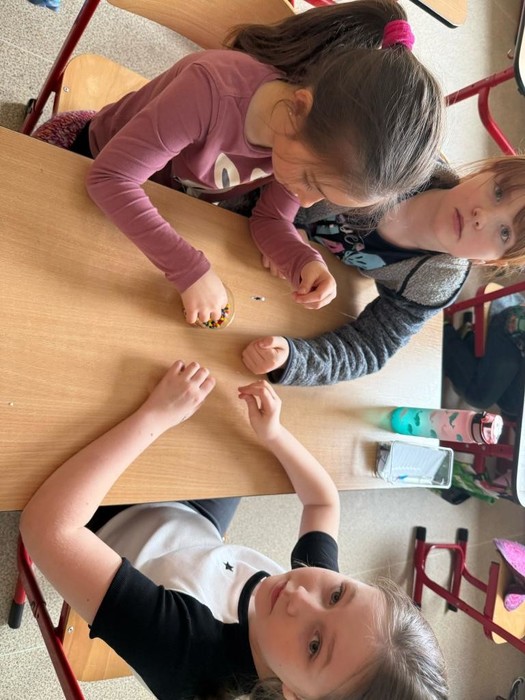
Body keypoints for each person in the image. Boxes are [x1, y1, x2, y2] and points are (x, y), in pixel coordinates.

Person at [20, 360, 448, 700]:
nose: (300, 596)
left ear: (295, 696)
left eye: (314, 646)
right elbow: (323, 502)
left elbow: (48, 529)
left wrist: (155, 416)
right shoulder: (321, 604)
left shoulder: (189, 657)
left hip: (107, 519)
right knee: (221, 401)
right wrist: (274, 434)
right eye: (339, 594)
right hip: (192, 523)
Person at [33, 1, 444, 326]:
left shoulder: (308, 140)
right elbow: (110, 178)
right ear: (298, 109)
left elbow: (271, 219)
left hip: (158, 205)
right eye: (311, 183)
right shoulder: (209, 90)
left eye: (321, 196)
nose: (305, 202)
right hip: (83, 158)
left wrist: (302, 260)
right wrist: (189, 269)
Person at [242, 155, 525, 386]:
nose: (481, 217)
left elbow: (371, 347)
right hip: (246, 194)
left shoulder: (438, 283)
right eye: (498, 192)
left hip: (260, 277)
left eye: (504, 233)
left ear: (489, 261)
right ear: (484, 171)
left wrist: (295, 359)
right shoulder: (399, 157)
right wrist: (289, 229)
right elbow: (301, 155)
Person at [443, 303, 525, 420]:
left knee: (512, 405)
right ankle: (446, 334)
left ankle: (467, 342)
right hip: (516, 326)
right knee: (479, 396)